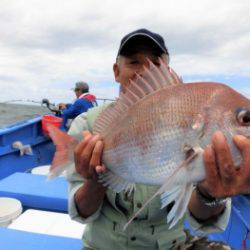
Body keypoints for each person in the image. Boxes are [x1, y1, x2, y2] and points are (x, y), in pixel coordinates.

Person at [66, 29, 250, 249]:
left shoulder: (207, 143)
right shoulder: (89, 125)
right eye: (134, 62)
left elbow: (200, 220)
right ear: (116, 71)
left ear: (167, 69)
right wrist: (96, 181)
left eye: (155, 63)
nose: (145, 71)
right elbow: (81, 213)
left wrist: (210, 193)